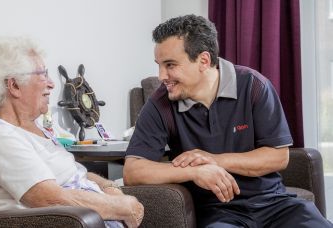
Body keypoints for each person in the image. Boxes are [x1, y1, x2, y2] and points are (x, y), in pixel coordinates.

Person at [123, 15, 332, 227]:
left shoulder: (254, 86)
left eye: (170, 65)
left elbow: (278, 157)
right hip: (218, 214)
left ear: (203, 60)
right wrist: (195, 171)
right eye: (159, 65)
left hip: (275, 205)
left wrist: (214, 160)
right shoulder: (161, 103)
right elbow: (133, 171)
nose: (161, 76)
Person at [0, 36, 144, 228]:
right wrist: (124, 208)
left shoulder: (38, 129)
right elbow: (51, 199)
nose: (52, 84)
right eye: (43, 75)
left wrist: (110, 189)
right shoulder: (2, 139)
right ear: (14, 85)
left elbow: (76, 174)